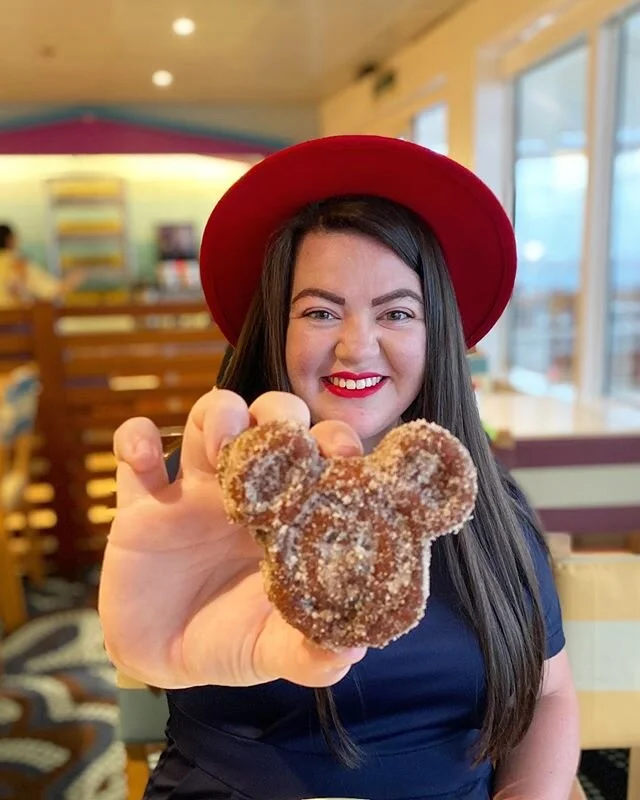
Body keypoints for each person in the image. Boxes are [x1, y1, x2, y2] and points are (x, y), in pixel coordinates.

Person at [99, 136, 580, 800]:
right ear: (276, 327)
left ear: (434, 331)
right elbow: (152, 653)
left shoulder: (485, 500)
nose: (357, 346)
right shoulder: (214, 492)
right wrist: (145, 650)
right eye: (321, 311)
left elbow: (549, 692)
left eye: (397, 313)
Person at [0, 223, 85, 306]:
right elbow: (53, 291)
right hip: (15, 317)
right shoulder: (18, 264)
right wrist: (73, 279)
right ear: (10, 240)